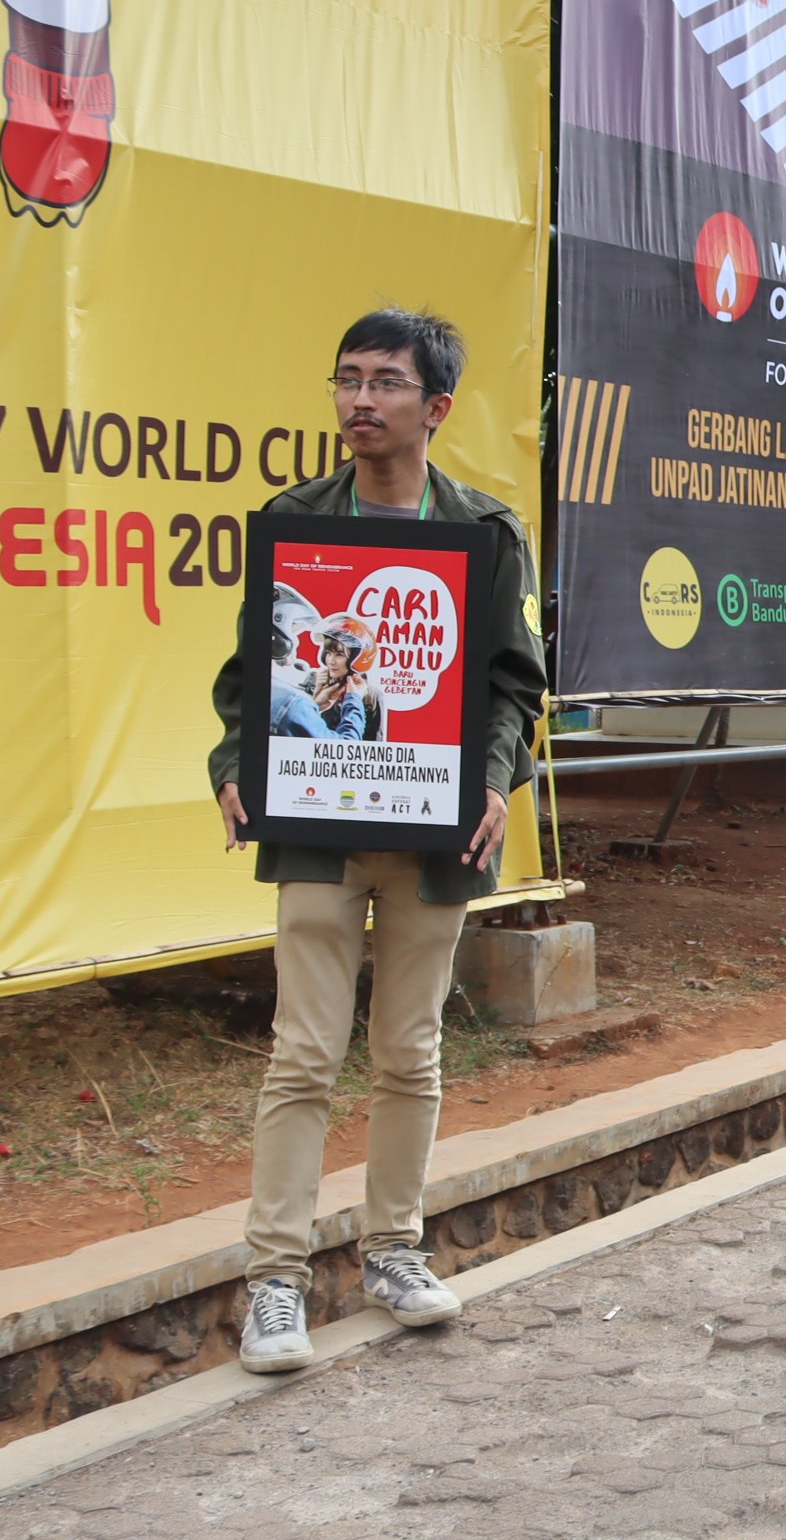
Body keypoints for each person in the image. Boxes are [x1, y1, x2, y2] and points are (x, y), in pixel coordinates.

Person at [209, 309, 547, 1373]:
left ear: (435, 407)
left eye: (385, 383)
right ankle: (275, 1280)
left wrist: (492, 779)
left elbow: (512, 685)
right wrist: (233, 767)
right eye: (346, 379)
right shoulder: (295, 522)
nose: (360, 400)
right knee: (302, 1049)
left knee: (411, 1050)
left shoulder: (487, 533)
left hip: (437, 829)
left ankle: (394, 1249)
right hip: (315, 823)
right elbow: (245, 682)